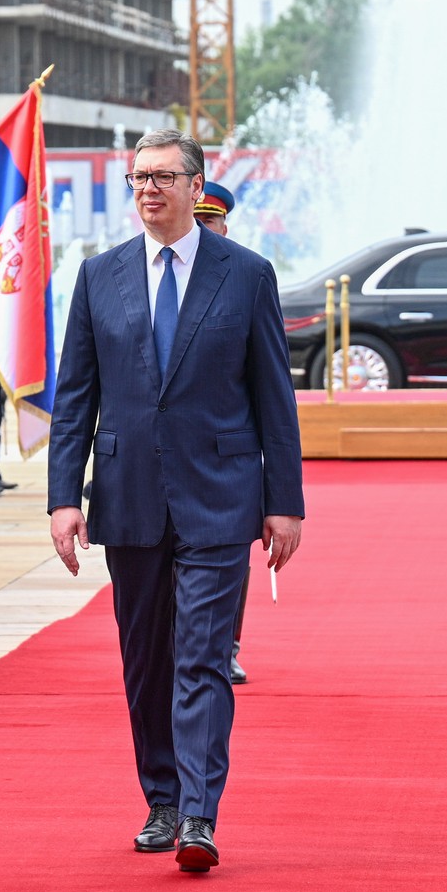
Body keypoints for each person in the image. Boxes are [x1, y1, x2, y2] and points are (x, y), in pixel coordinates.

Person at [48, 132, 301, 873]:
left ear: (197, 185)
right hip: (127, 497)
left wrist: (283, 500)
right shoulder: (99, 276)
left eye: (163, 176)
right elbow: (75, 402)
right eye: (137, 177)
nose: (148, 188)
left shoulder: (246, 275)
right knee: (146, 660)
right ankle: (161, 797)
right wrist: (65, 498)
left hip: (220, 497)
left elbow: (273, 397)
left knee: (201, 657)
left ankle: (198, 810)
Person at [192, 180, 250, 685]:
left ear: (223, 225)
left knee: (228, 568)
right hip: (158, 464)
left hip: (224, 462)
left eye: (211, 221)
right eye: (199, 219)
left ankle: (226, 643)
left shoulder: (245, 274)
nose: (203, 228)